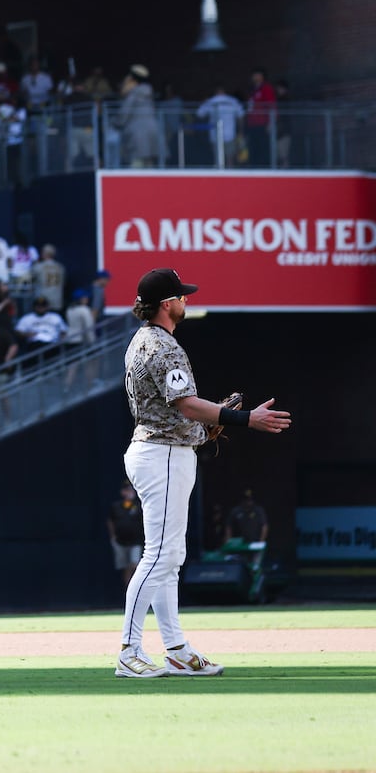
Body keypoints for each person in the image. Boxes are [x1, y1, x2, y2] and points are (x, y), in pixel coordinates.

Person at [115, 268, 290, 679]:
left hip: (158, 448)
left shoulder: (141, 340)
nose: (186, 301)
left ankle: (175, 648)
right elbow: (187, 404)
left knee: (170, 557)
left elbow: (179, 408)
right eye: (181, 296)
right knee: (159, 556)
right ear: (166, 304)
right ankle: (128, 649)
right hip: (164, 454)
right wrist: (243, 418)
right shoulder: (165, 346)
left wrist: (201, 424)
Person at [107, 481, 143, 588]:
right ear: (123, 492)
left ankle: (137, 589)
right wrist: (113, 536)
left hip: (135, 541)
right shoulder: (116, 506)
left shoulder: (139, 505)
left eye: (131, 490)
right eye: (127, 490)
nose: (130, 492)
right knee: (126, 568)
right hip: (121, 541)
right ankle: (129, 592)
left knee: (135, 565)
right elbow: (110, 521)